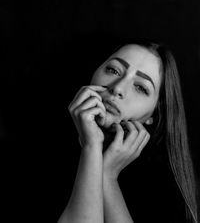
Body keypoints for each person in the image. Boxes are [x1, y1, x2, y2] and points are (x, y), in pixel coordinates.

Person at [58, 38, 198, 223]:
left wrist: (107, 176)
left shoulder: (163, 189)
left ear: (153, 114)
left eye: (140, 87)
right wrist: (92, 147)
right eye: (113, 70)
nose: (117, 88)